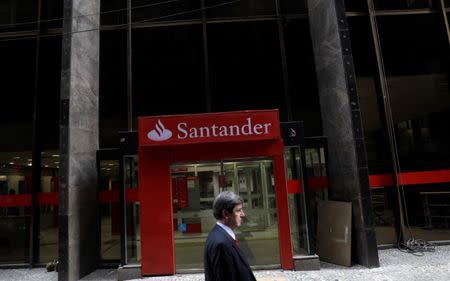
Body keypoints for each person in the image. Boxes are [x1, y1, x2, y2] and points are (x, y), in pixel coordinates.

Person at [204, 191, 256, 281]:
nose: (243, 215)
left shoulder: (220, 234)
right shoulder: (221, 244)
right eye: (238, 210)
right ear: (226, 214)